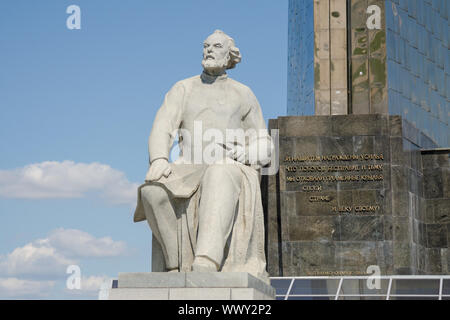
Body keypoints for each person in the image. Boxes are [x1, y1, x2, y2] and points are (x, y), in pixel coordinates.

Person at [133, 30, 273, 280]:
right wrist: (159, 159)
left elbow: (264, 144)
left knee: (219, 171)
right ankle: (174, 266)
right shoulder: (183, 88)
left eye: (216, 46)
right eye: (205, 45)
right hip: (188, 168)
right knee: (150, 191)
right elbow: (162, 127)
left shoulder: (244, 93)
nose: (208, 50)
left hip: (232, 167)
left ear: (229, 55)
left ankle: (206, 260)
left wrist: (246, 152)